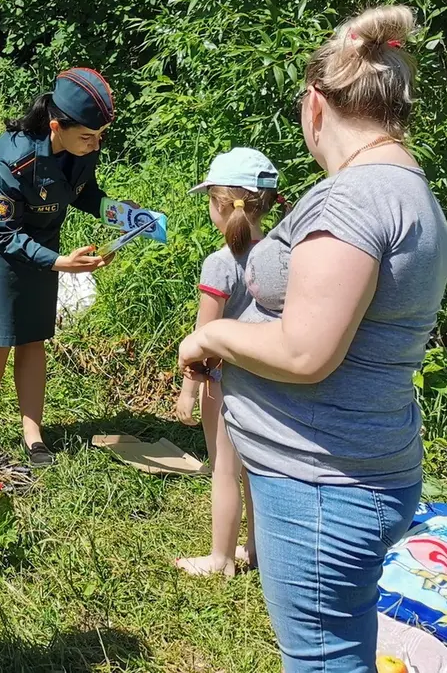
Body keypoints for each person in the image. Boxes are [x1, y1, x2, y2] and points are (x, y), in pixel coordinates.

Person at [178, 5, 447, 673]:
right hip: (358, 466)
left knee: (324, 661)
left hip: (323, 483)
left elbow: (306, 352)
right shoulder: (403, 189)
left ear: (315, 106)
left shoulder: (354, 199)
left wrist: (211, 336)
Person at [0, 68, 130, 466]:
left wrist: (124, 217)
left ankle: (33, 433)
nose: (95, 144)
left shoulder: (82, 147)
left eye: (100, 136)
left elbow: (84, 194)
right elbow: (2, 232)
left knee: (33, 334)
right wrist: (58, 263)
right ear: (56, 126)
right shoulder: (14, 157)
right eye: (88, 137)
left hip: (42, 234)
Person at [173, 147, 281, 577]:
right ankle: (256, 550)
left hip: (222, 380)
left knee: (224, 469)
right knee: (256, 469)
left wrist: (189, 389)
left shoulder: (219, 264)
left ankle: (220, 558)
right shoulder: (278, 255)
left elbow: (204, 338)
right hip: (269, 376)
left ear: (220, 206)